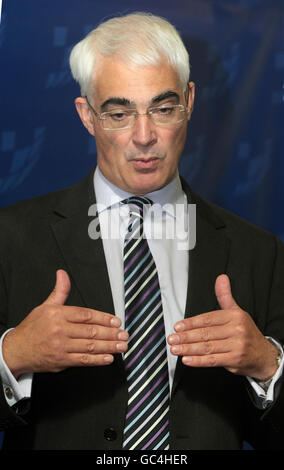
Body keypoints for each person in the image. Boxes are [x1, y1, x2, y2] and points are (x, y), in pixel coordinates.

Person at [0, 12, 283, 450]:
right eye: (119, 113)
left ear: (189, 102)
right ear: (87, 115)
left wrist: (268, 365)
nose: (144, 135)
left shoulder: (258, 252)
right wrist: (12, 356)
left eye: (163, 108)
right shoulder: (10, 238)